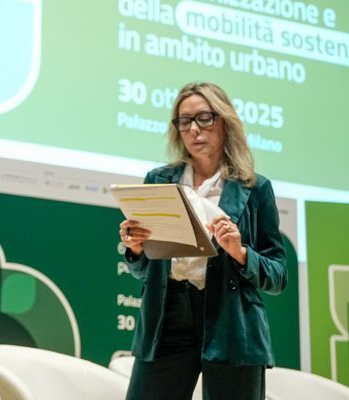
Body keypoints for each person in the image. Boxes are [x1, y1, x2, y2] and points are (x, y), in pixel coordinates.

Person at [119, 82, 286, 400]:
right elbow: (144, 270)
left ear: (225, 122)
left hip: (230, 322)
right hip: (167, 317)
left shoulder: (255, 188)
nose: (194, 129)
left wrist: (240, 252)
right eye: (184, 121)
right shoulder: (158, 181)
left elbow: (278, 275)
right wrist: (136, 249)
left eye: (204, 118)